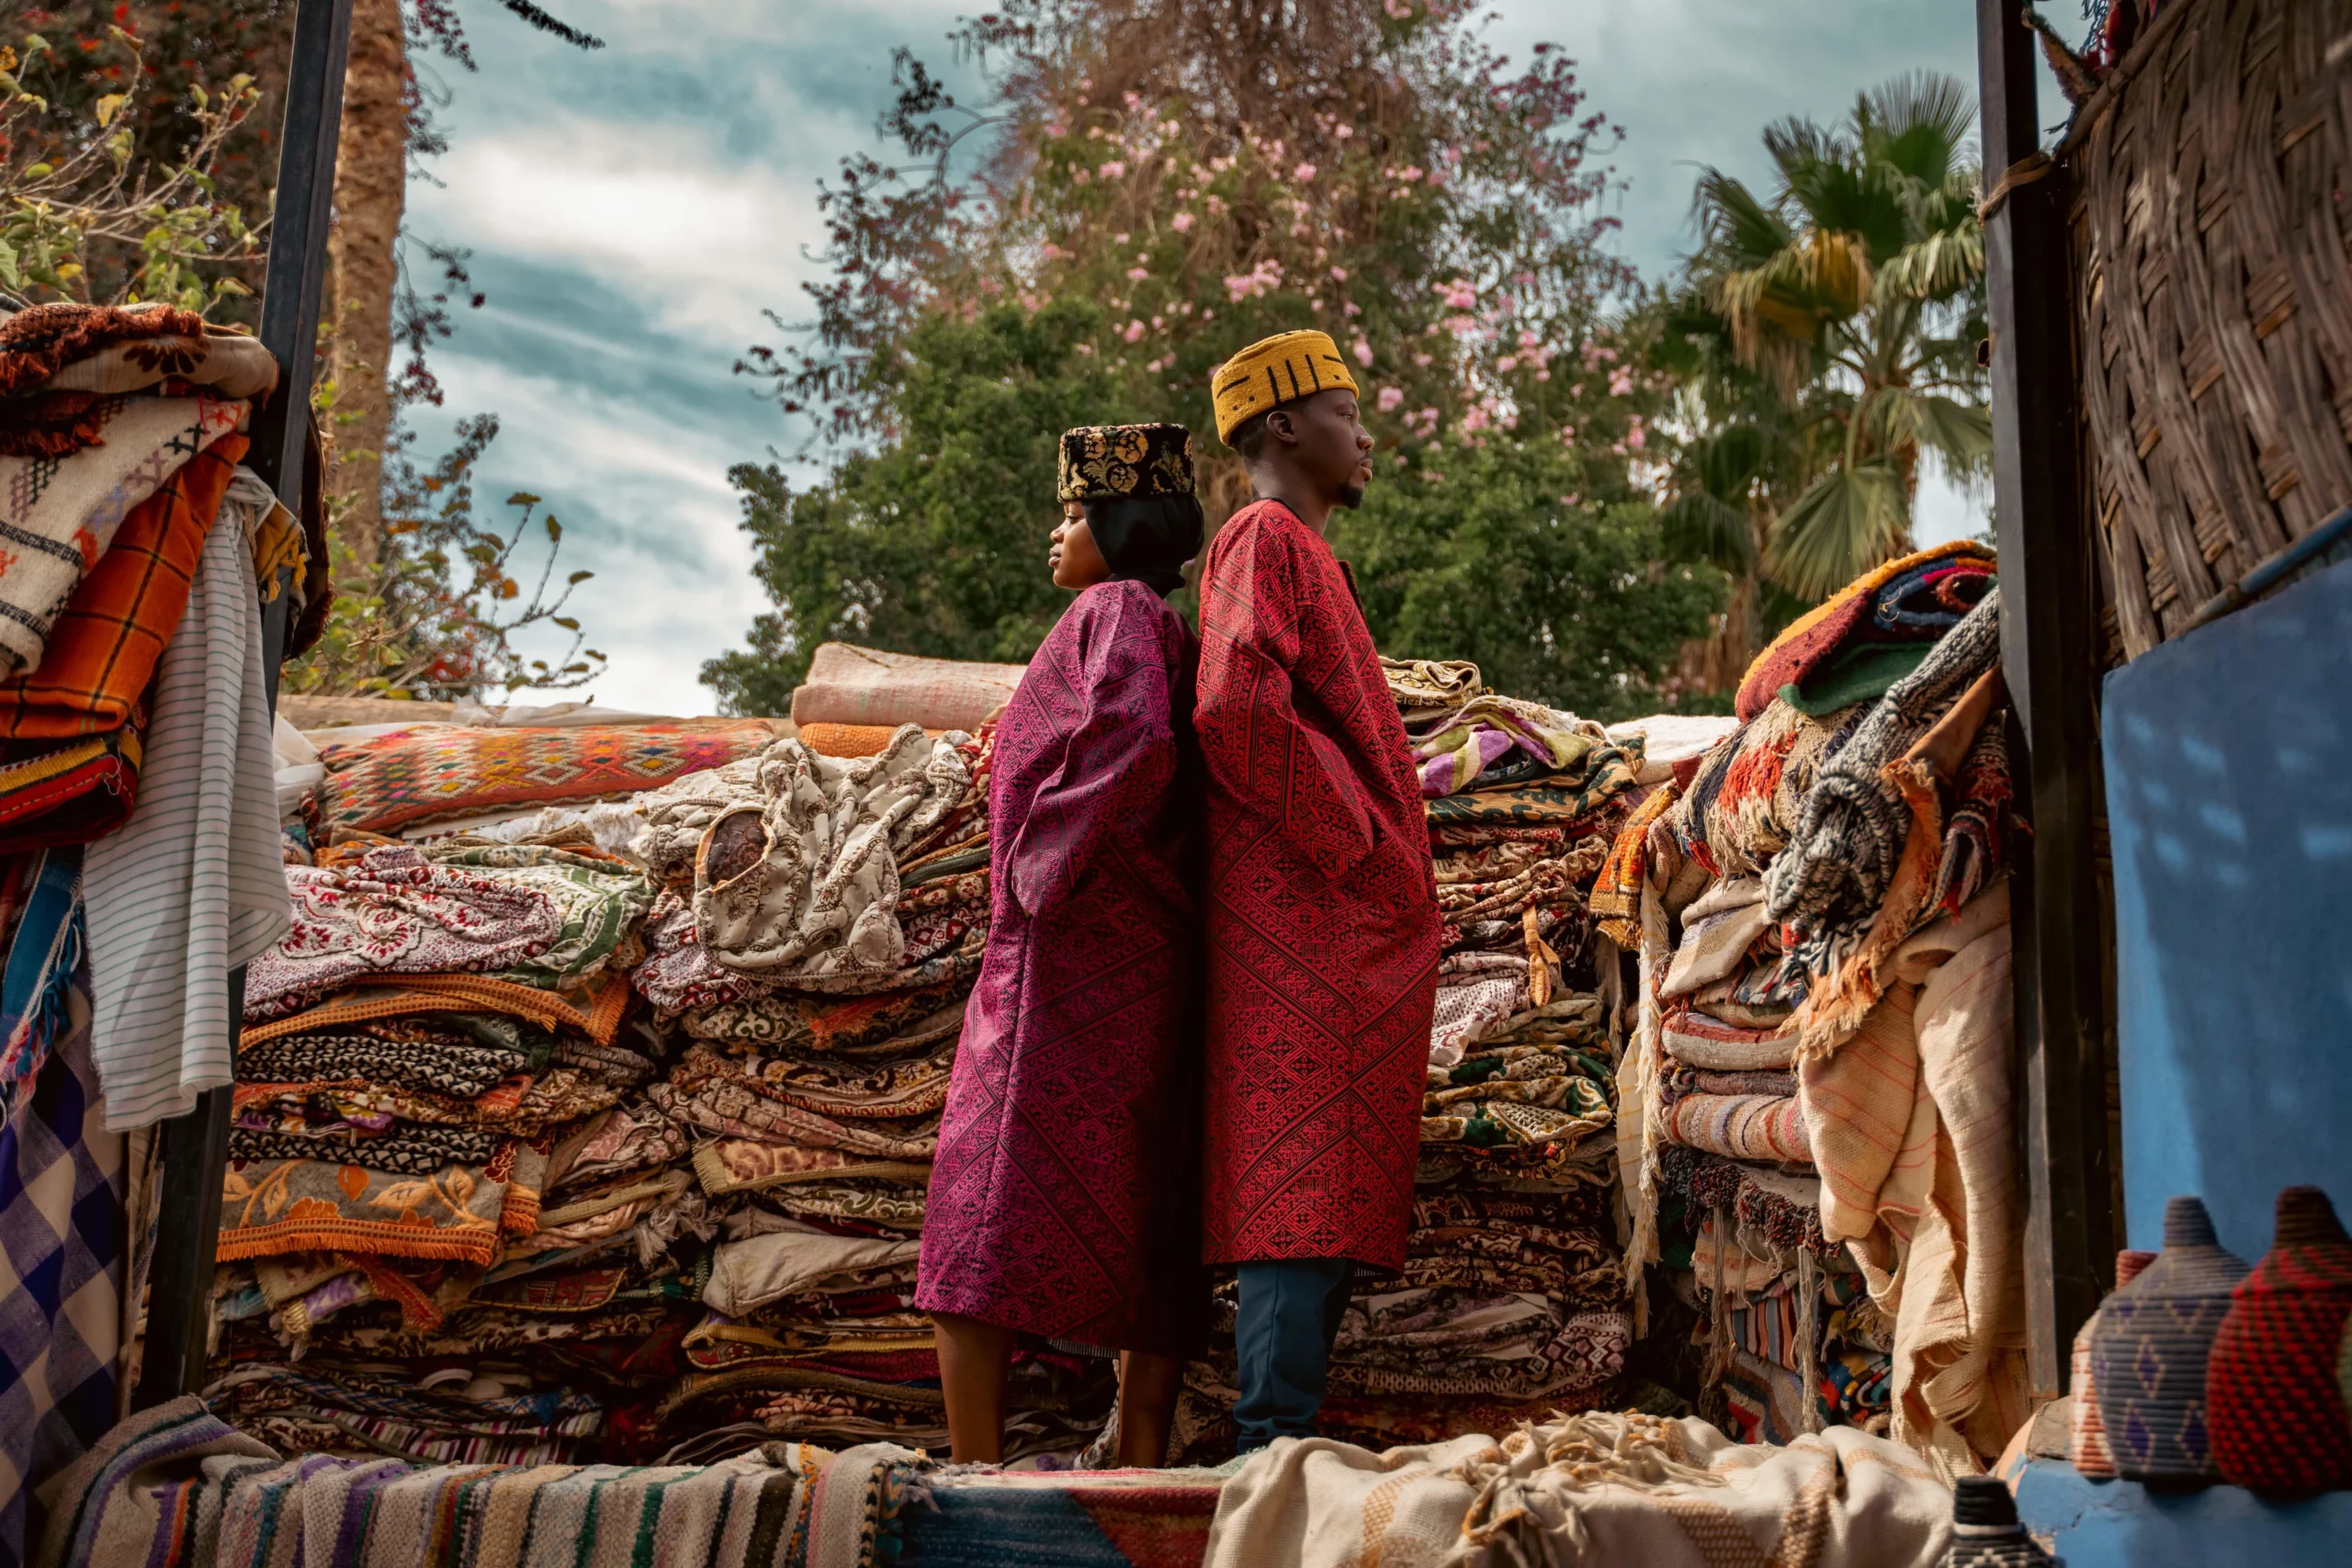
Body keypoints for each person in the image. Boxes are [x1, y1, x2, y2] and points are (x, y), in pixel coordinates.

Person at [915, 422, 1208, 1467]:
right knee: (1140, 1194)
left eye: (1076, 512)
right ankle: (1133, 1454)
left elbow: (1128, 739)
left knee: (977, 1206)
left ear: (1121, 523)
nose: (1057, 531)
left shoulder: (1117, 611)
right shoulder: (1153, 620)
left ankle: (975, 1468)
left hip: (1065, 957)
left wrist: (1036, 872)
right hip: (1117, 949)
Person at [1193, 330, 1442, 1451]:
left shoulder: (1304, 552)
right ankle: (1267, 1457)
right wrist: (1357, 844)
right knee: (1295, 1190)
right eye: (1348, 410)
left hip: (1333, 925)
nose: (1366, 433)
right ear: (1284, 426)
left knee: (1324, 1189)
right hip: (1303, 922)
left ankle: (1281, 1449)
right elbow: (1234, 705)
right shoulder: (1261, 536)